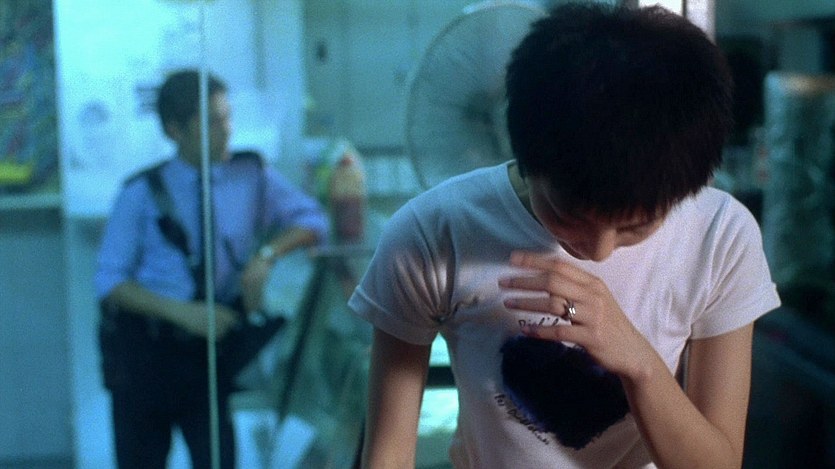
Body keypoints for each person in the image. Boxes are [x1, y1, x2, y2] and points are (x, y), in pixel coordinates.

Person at [348, 3, 780, 468]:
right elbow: (387, 455)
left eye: (635, 227)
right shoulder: (433, 233)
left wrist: (637, 361)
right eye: (569, 215)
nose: (599, 251)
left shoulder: (720, 237)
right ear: (524, 154)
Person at [95, 69, 328, 469]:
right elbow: (109, 281)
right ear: (175, 130)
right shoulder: (141, 192)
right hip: (146, 356)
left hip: (207, 356)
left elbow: (313, 220)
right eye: (212, 122)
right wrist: (185, 314)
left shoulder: (250, 176)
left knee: (218, 458)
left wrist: (266, 256)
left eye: (227, 117)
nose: (227, 131)